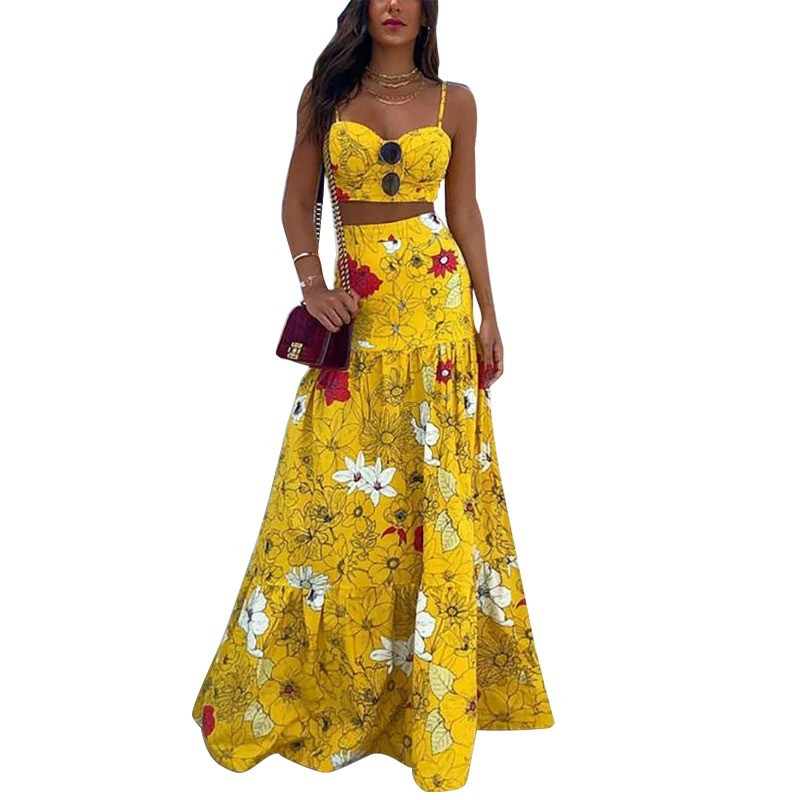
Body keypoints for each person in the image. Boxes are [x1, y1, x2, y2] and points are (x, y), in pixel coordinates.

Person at [191, 0, 554, 791]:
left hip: (438, 317)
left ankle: (426, 710)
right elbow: (296, 203)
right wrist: (311, 285)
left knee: (431, 506)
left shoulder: (457, 101)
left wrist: (490, 314)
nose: (394, 4)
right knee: (324, 505)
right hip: (359, 318)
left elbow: (464, 210)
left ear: (426, 12)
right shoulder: (325, 94)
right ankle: (323, 695)